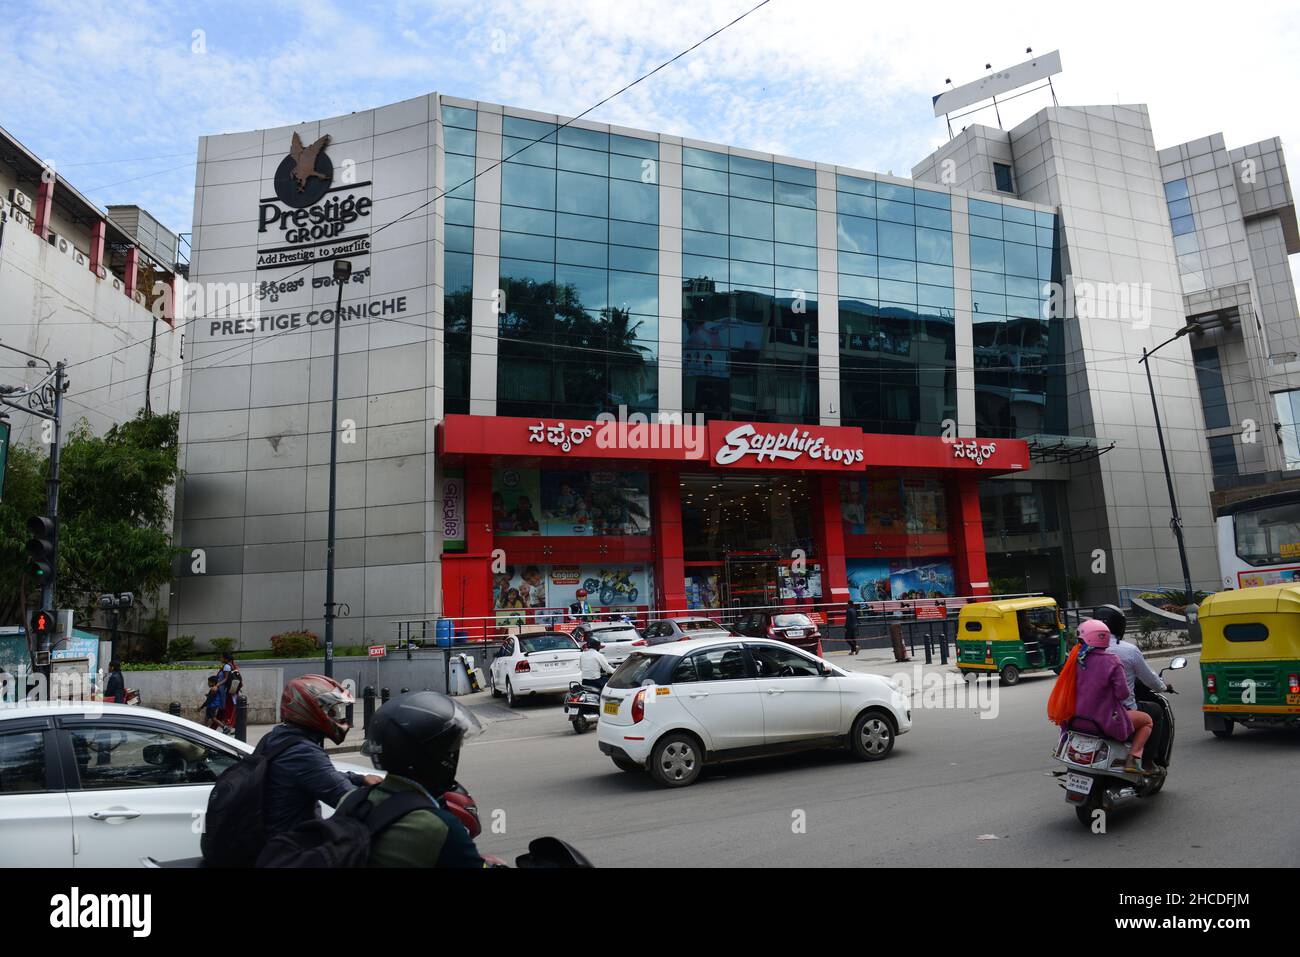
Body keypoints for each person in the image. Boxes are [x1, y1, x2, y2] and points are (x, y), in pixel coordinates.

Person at [354, 691, 495, 867]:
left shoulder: (353, 800)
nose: (454, 753)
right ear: (426, 754)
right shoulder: (438, 825)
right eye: (450, 746)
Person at [259, 674, 382, 837]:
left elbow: (317, 775)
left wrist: (359, 778)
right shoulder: (303, 752)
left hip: (272, 841)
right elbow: (350, 800)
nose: (337, 716)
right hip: (290, 850)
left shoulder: (277, 737)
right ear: (310, 710)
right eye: (331, 711)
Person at [1072, 620, 1154, 774]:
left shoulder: (1076, 660)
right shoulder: (1111, 660)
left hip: (1076, 720)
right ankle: (1133, 759)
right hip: (1104, 721)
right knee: (1147, 720)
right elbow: (1123, 694)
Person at [1094, 605, 1170, 767]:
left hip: (1086, 713)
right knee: (1154, 712)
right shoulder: (1124, 652)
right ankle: (1147, 761)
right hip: (1116, 713)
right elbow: (1129, 690)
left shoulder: (1082, 653)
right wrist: (1163, 686)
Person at [218, 652, 241, 733]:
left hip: (228, 691)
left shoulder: (227, 666)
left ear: (226, 658)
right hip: (233, 691)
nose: (220, 658)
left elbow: (226, 679)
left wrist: (216, 685)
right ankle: (232, 727)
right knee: (231, 709)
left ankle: (229, 727)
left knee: (229, 709)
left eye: (221, 657)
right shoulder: (233, 666)